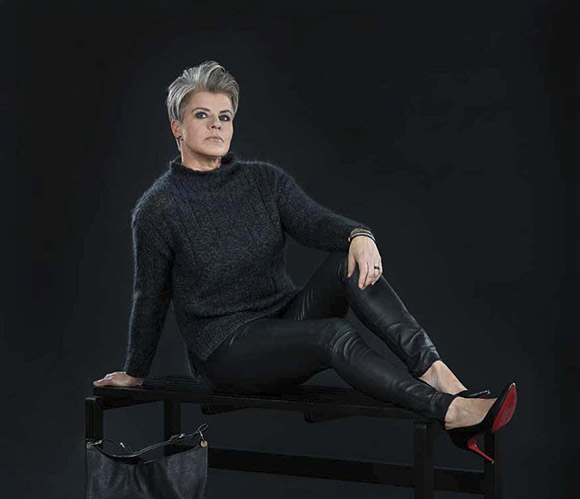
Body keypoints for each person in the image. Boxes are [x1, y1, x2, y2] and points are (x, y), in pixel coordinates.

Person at [94, 60, 517, 462]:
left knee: (345, 260)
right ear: (177, 127)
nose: (216, 126)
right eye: (202, 115)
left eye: (224, 117)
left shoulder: (263, 180)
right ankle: (450, 411)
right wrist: (135, 371)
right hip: (225, 352)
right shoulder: (159, 209)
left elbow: (315, 223)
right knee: (333, 334)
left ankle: (436, 372)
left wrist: (359, 235)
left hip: (281, 323)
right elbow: (150, 296)